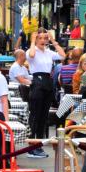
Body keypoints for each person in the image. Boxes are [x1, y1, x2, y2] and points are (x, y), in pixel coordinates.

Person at [26, 29, 66, 158]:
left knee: (44, 116)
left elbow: (63, 56)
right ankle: (32, 145)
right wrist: (32, 41)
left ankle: (40, 144)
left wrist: (54, 41)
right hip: (37, 81)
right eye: (40, 38)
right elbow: (31, 55)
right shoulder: (32, 50)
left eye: (45, 38)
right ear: (36, 39)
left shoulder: (49, 52)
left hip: (48, 81)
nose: (43, 40)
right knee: (35, 114)